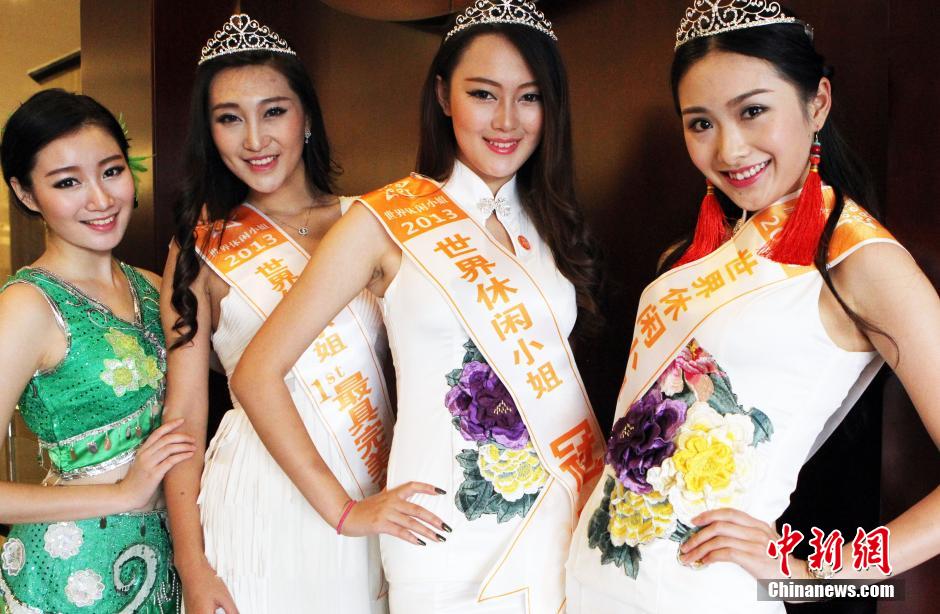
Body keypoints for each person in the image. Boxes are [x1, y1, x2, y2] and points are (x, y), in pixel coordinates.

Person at [231, 1, 606, 611]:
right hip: (441, 536)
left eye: (530, 97)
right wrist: (344, 511)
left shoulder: (552, 225)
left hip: (556, 522)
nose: (506, 120)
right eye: (482, 94)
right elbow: (256, 372)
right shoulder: (383, 220)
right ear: (442, 96)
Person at [565, 2, 940, 612]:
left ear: (817, 103)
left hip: (700, 596)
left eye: (753, 111)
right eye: (701, 123)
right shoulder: (692, 254)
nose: (729, 149)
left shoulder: (860, 259)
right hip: (587, 584)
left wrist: (815, 574)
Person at [160, 14, 395, 614]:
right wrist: (192, 565)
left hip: (368, 481)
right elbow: (184, 418)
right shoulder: (201, 245)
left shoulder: (372, 223)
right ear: (209, 132)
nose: (254, 140)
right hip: (256, 496)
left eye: (273, 112)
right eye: (229, 118)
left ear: (306, 117)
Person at [0, 89, 192, 613]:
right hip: (70, 574)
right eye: (68, 182)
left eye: (111, 171)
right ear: (26, 193)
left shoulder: (153, 286)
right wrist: (121, 494)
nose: (101, 199)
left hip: (166, 557)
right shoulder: (27, 306)